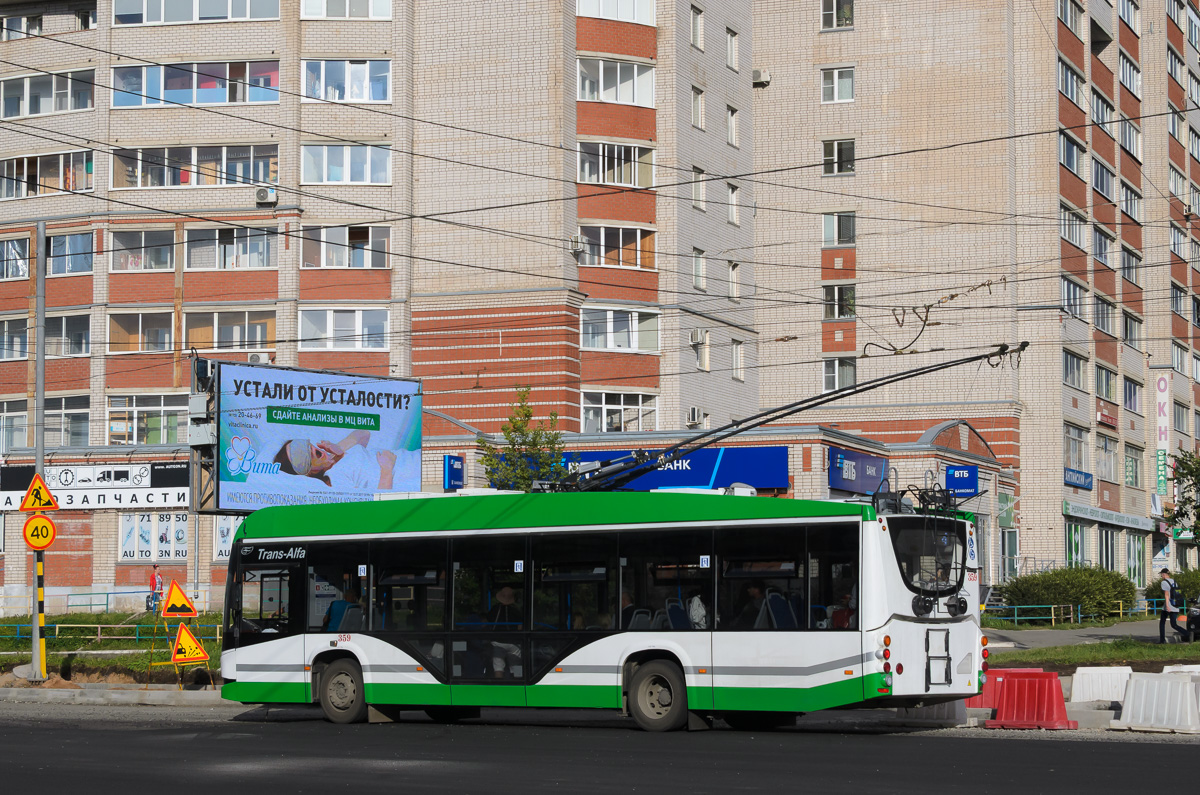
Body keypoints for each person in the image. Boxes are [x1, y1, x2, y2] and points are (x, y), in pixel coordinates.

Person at [273, 429, 397, 491]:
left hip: (414, 458)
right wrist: (387, 469)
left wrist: (339, 448)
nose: (313, 450)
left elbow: (364, 433)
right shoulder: (336, 478)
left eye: (308, 447)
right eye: (306, 456)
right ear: (310, 472)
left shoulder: (335, 455)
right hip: (410, 480)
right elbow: (377, 507)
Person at [488, 586, 523, 679]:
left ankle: (499, 686)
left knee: (498, 666)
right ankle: (517, 683)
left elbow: (487, 622)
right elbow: (520, 626)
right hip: (513, 642)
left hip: (497, 641)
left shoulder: (494, 609)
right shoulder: (515, 610)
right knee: (516, 666)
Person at [1159, 568, 1190, 644]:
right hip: (1176, 605)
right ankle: (1188, 634)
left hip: (1168, 606)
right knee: (1174, 625)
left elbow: (1166, 595)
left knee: (1162, 622)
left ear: (1164, 574)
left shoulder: (1164, 582)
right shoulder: (1174, 582)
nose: (1161, 576)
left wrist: (1167, 606)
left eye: (1161, 575)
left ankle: (1162, 640)